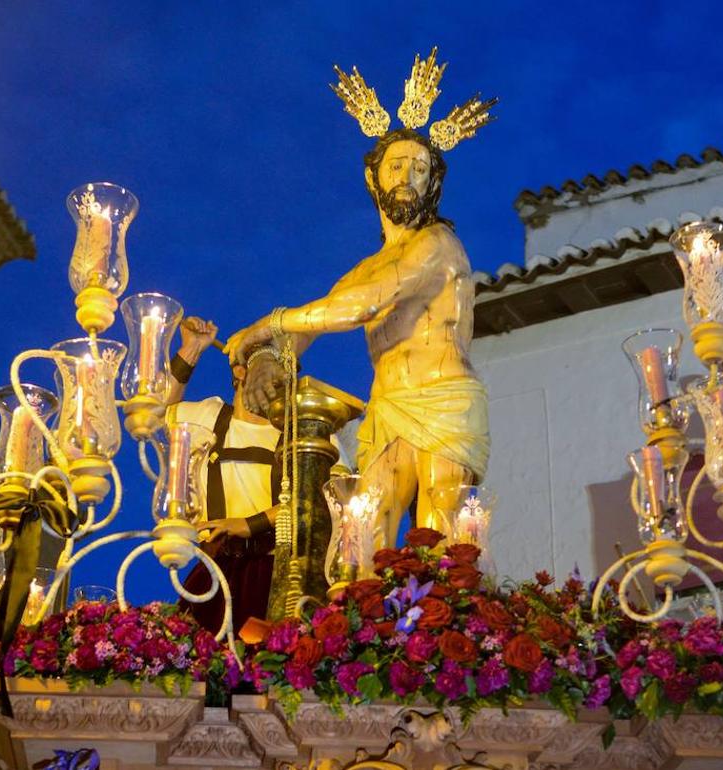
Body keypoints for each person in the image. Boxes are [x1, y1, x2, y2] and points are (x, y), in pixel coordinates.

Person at [224, 54, 495, 548]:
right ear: (374, 179)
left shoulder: (436, 244)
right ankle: (361, 626)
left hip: (447, 401)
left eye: (420, 168)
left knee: (442, 538)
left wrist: (268, 324)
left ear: (433, 182)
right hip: (388, 408)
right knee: (363, 539)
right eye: (398, 166)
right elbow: (309, 328)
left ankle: (454, 625)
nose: (409, 177)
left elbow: (362, 306)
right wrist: (267, 358)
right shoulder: (364, 269)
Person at [168, 317, 348, 632]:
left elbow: (331, 500)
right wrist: (191, 351)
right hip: (215, 574)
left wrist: (249, 525)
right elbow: (149, 415)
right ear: (240, 370)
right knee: (193, 668)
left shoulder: (310, 430)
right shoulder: (208, 419)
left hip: (282, 577)